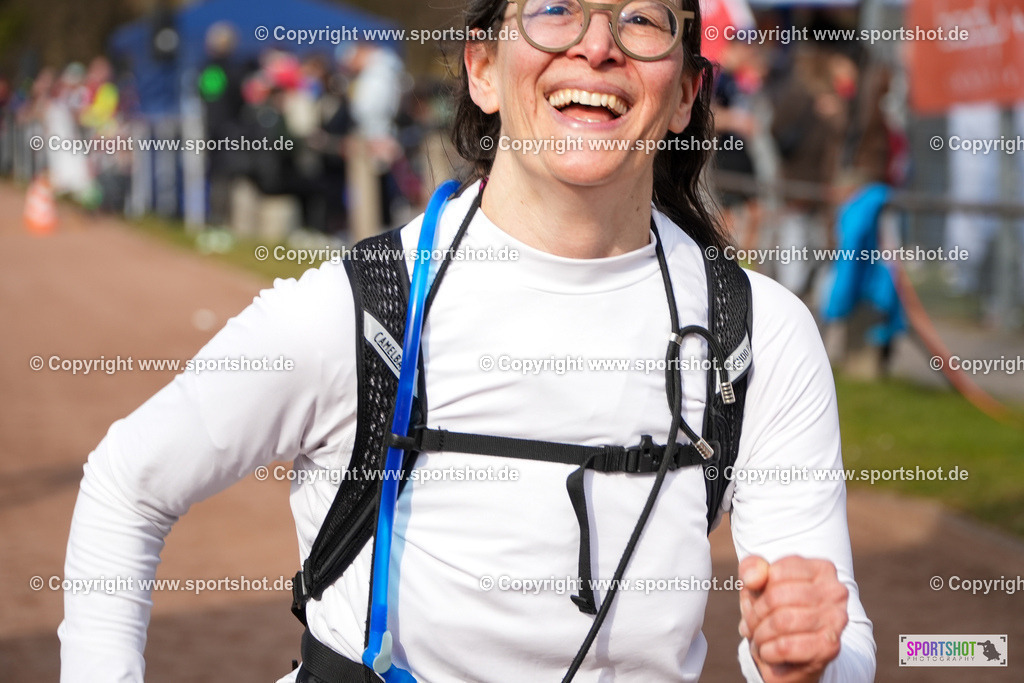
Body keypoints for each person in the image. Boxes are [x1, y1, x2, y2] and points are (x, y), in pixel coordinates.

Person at [59, 1, 876, 681]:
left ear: (689, 92)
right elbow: (127, 482)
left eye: (640, 18)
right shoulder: (361, 307)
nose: (596, 47)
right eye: (555, 11)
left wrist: (803, 657)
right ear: (482, 69)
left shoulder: (759, 333)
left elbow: (844, 648)